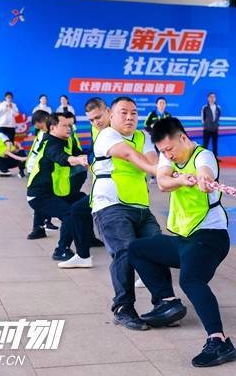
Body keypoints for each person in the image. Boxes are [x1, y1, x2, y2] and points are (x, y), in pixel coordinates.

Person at [129, 116, 236, 368]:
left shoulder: (203, 156)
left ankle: (219, 341)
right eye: (163, 151)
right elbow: (163, 182)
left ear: (183, 138)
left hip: (210, 237)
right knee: (138, 249)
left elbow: (205, 171)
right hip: (185, 239)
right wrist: (180, 179)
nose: (168, 155)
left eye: (170, 149)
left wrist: (203, 180)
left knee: (191, 280)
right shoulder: (168, 157)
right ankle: (167, 303)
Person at [91, 96, 160, 331]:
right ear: (111, 115)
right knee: (125, 251)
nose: (130, 117)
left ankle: (164, 303)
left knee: (156, 249)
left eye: (134, 113)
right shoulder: (107, 135)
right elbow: (129, 154)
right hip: (110, 204)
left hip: (140, 206)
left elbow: (151, 158)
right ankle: (123, 308)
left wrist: (161, 170)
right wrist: (158, 172)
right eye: (123, 112)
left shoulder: (143, 136)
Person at [26, 113, 89, 260]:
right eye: (64, 125)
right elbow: (62, 158)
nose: (69, 128)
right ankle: (61, 250)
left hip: (56, 192)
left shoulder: (67, 140)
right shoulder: (50, 143)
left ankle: (88, 239)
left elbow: (79, 153)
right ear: (53, 128)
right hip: (39, 195)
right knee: (69, 214)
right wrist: (79, 161)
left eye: (70, 125)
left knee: (84, 204)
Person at [59, 97, 112, 268]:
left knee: (127, 233)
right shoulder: (95, 128)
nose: (96, 122)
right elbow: (94, 151)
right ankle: (83, 255)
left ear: (108, 111)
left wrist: (87, 158)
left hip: (120, 189)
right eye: (91, 119)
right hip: (102, 187)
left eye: (98, 117)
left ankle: (148, 271)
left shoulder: (118, 129)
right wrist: (85, 157)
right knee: (78, 211)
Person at [25, 110, 56, 240]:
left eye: (39, 125)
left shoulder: (52, 133)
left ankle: (43, 224)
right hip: (36, 170)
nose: (39, 128)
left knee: (44, 198)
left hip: (43, 171)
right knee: (40, 198)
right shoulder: (42, 133)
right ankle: (39, 226)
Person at [201, 92, 221, 158]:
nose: (212, 98)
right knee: (205, 144)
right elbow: (203, 118)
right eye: (211, 97)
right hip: (207, 129)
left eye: (214, 97)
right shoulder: (205, 108)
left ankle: (215, 158)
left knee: (215, 144)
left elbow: (218, 117)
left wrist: (216, 125)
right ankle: (203, 158)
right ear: (208, 98)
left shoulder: (218, 107)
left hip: (215, 129)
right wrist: (206, 125)